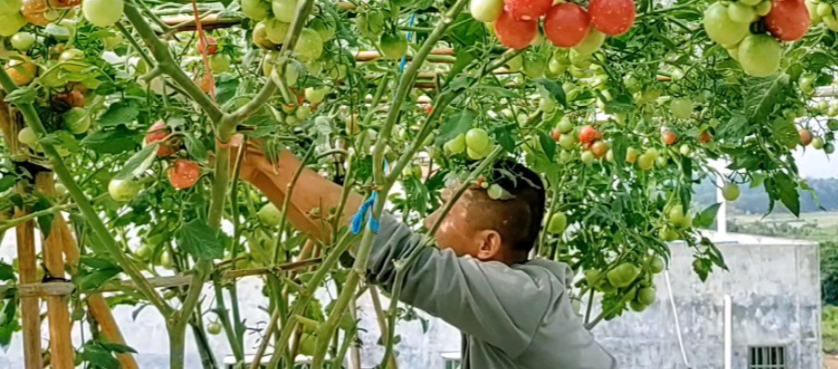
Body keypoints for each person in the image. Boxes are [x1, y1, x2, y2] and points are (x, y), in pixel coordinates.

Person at [235, 140, 617, 368]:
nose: (430, 219)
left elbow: (393, 253)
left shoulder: (518, 298)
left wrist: (272, 159)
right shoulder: (514, 295)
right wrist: (255, 173)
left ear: (487, 245)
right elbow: (359, 246)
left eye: (446, 210)